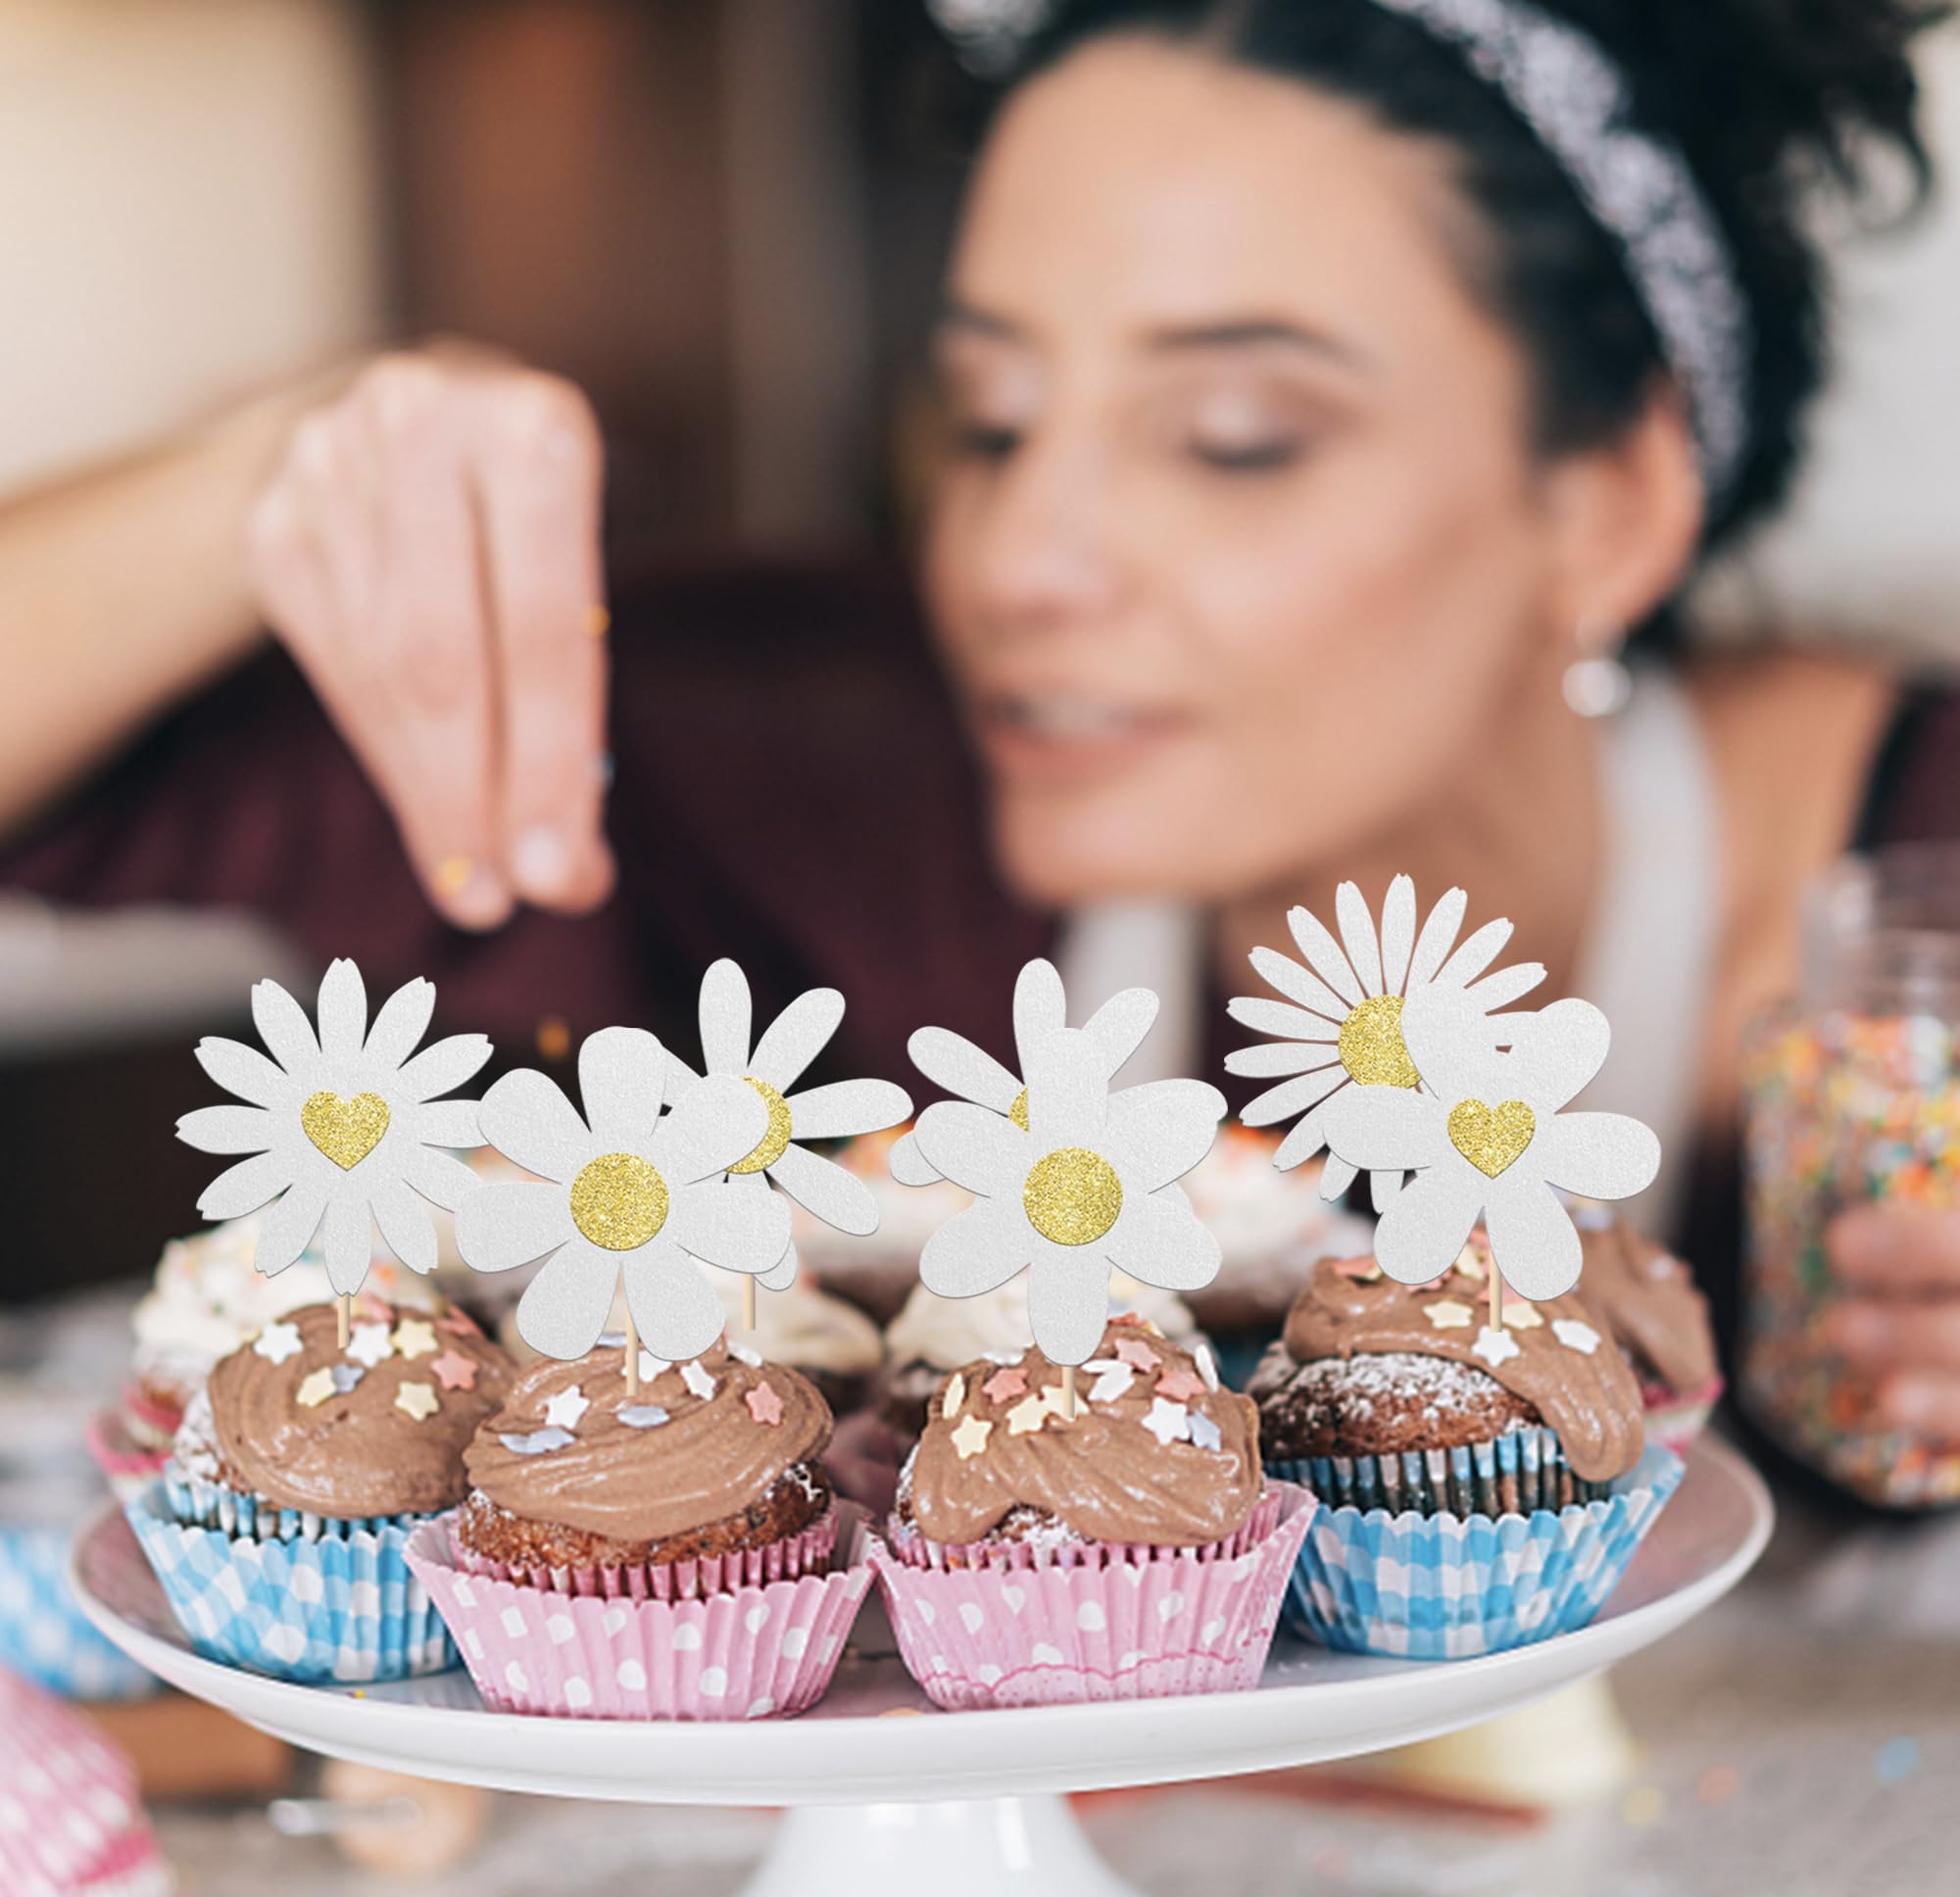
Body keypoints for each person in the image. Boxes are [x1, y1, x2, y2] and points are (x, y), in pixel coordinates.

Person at [3, 0, 1957, 1471]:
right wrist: (266, 477)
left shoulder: (1914, 891)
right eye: (994, 423)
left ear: (1608, 506)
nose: (1020, 558)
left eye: (1233, 441)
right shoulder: (809, 764)